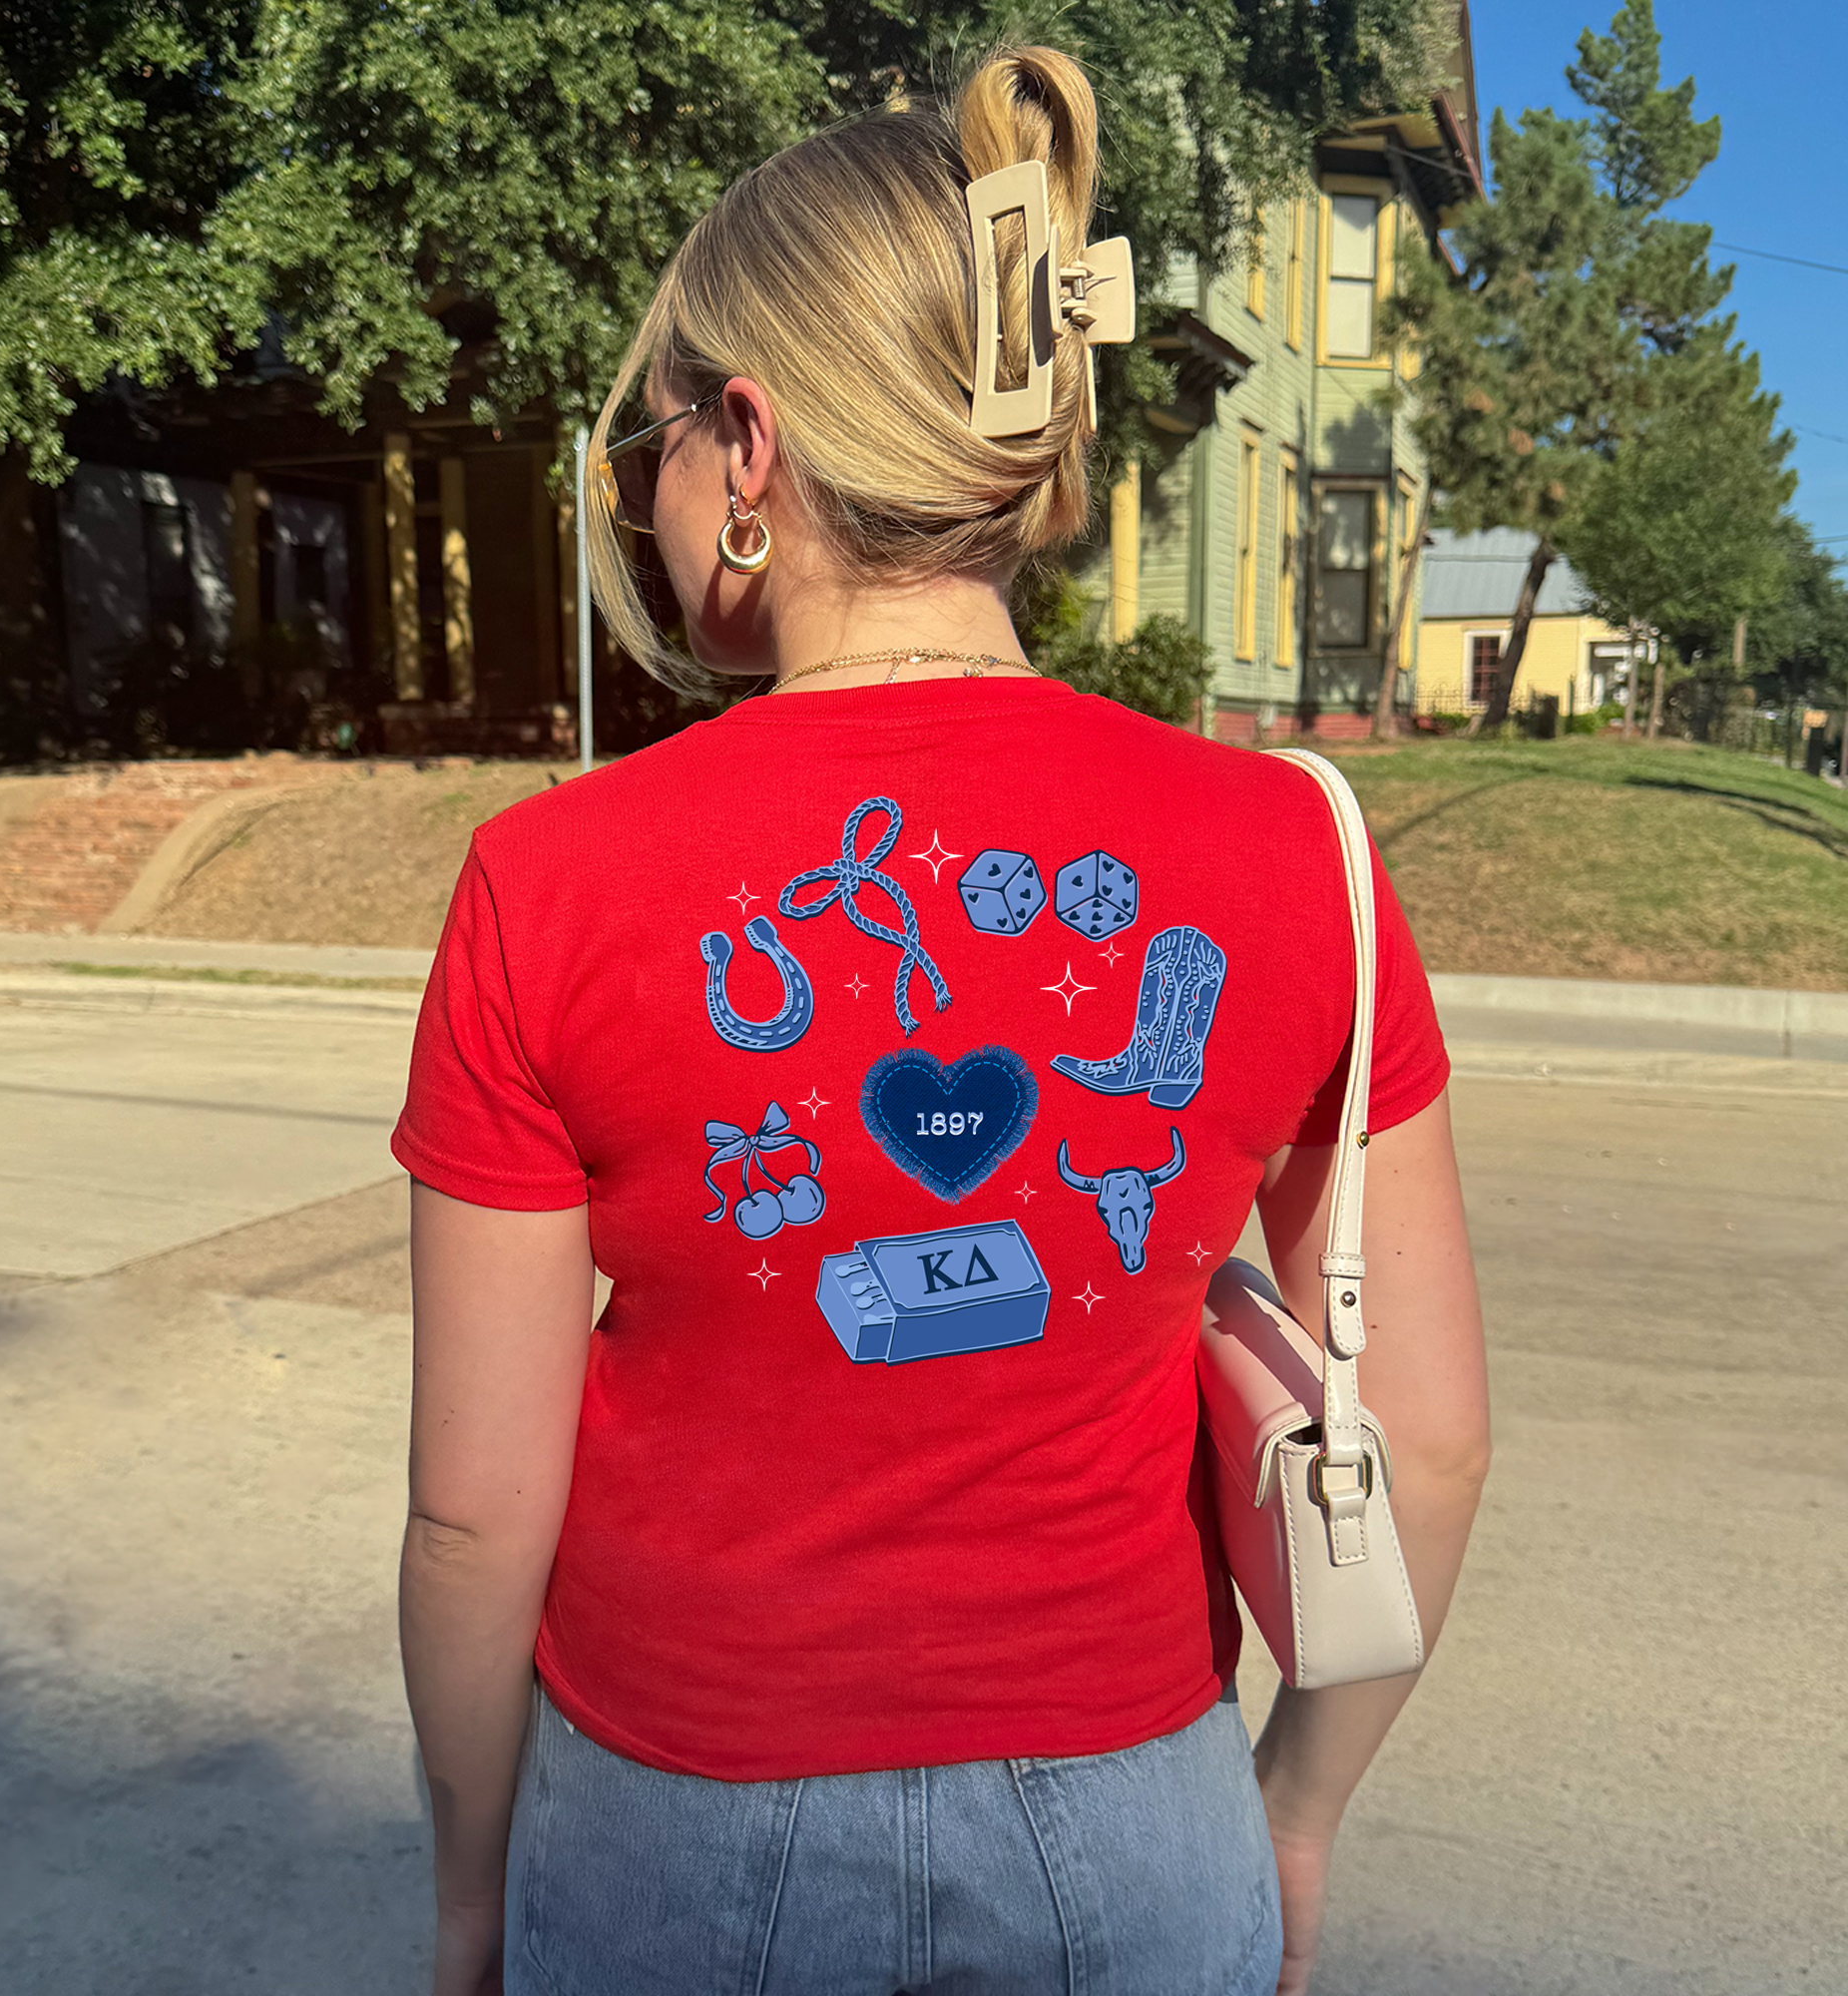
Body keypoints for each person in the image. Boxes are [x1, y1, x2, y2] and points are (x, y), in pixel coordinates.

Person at [392, 43, 1490, 1996]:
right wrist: (1296, 1813)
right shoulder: (1291, 854)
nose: (647, 492)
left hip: (675, 1821)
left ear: (746, 449)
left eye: (652, 442)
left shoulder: (545, 882)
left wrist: (475, 1882)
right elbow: (1430, 1441)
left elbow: (477, 1517)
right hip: (1138, 1821)